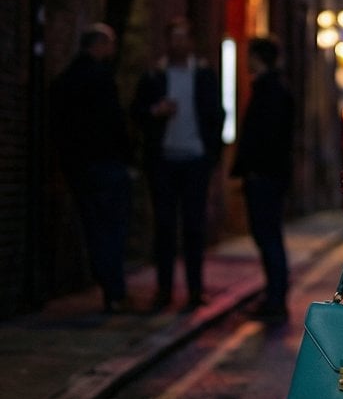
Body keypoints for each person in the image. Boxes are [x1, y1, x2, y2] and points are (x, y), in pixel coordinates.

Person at [131, 18, 223, 314]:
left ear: (191, 42)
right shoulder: (154, 76)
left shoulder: (204, 75)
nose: (178, 43)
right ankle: (164, 290)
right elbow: (136, 112)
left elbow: (216, 115)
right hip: (163, 161)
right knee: (164, 227)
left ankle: (195, 291)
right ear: (167, 41)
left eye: (183, 38)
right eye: (174, 38)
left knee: (194, 228)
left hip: (195, 161)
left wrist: (210, 156)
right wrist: (155, 111)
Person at [49, 23, 133, 315]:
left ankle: (106, 282)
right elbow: (115, 123)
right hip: (106, 164)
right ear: (98, 45)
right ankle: (114, 290)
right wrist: (127, 158)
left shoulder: (66, 80)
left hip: (79, 167)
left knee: (94, 228)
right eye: (109, 44)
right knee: (113, 229)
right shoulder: (101, 79)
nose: (113, 50)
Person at [231, 34, 294, 324]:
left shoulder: (270, 91)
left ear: (258, 58)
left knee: (268, 236)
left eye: (250, 55)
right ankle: (274, 295)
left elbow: (267, 138)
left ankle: (275, 298)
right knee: (268, 236)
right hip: (269, 175)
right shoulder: (272, 88)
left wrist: (253, 169)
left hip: (266, 177)